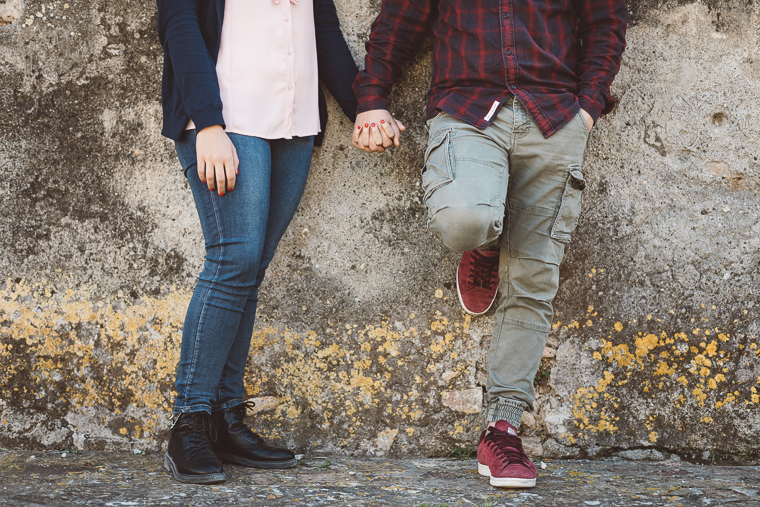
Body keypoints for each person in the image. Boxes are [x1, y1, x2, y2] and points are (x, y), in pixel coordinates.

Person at [352, 0, 626, 488]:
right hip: (468, 112)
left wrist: (588, 107)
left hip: (555, 116)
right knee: (466, 220)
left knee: (533, 278)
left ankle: (503, 429)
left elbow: (606, 24)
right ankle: (484, 239)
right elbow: (398, 23)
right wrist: (373, 98)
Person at [156, 0, 358, 484]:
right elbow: (179, 23)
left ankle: (227, 419)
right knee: (234, 260)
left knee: (251, 267)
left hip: (294, 119)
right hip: (226, 118)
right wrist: (206, 122)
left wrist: (366, 106)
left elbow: (323, 30)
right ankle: (190, 421)